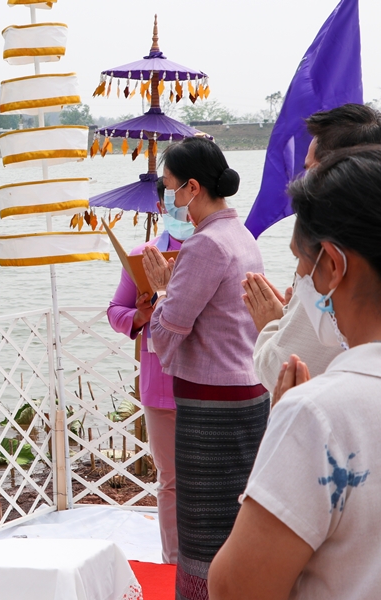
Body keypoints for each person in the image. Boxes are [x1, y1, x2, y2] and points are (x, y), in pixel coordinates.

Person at [209, 146, 381, 600]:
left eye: (303, 264)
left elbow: (234, 588)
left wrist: (283, 430)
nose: (300, 279)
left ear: (332, 265)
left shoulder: (317, 415)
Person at [142, 137, 267, 600]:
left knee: (205, 529)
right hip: (248, 389)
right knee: (240, 518)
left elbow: (168, 333)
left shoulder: (205, 245)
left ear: (193, 188)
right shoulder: (241, 236)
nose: (168, 198)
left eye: (170, 187)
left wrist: (160, 292)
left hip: (213, 404)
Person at [242, 104, 381, 392]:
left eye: (310, 172)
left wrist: (272, 325)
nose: (303, 184)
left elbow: (283, 366)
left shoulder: (337, 260)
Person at [107, 177, 190, 564]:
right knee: (170, 481)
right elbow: (115, 311)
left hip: (208, 376)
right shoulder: (142, 255)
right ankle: (173, 562)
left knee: (214, 481)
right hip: (160, 382)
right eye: (170, 200)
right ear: (160, 208)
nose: (180, 207)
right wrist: (140, 314)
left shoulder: (212, 251)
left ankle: (217, 563)